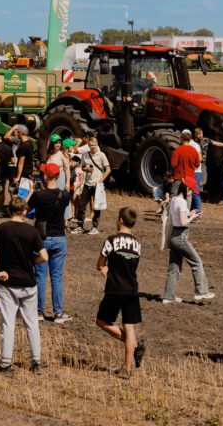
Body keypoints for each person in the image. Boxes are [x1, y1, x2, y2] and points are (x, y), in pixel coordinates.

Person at [0, 196, 49, 374]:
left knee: (8, 324)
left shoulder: (3, 228)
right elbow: (44, 256)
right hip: (29, 282)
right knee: (32, 323)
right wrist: (32, 262)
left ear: (9, 210)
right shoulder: (32, 231)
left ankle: (6, 364)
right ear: (25, 211)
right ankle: (36, 361)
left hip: (8, 282)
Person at [95, 207, 146, 379]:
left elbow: (99, 264)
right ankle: (127, 368)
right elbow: (130, 266)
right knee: (129, 327)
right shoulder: (137, 245)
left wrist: (105, 267)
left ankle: (135, 345)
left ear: (121, 220)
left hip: (115, 289)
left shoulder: (111, 240)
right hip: (132, 290)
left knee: (101, 321)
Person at [28, 163, 72, 323]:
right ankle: (58, 313)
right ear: (58, 176)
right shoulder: (65, 195)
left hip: (42, 239)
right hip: (59, 238)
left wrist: (31, 191)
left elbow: (24, 209)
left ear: (45, 176)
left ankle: (38, 311)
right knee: (56, 277)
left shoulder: (38, 196)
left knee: (40, 276)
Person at [162, 183, 214, 303]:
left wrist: (189, 213)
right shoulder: (182, 202)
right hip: (181, 237)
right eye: (191, 191)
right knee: (197, 262)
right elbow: (183, 222)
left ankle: (168, 296)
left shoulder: (174, 199)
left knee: (174, 267)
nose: (191, 193)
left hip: (174, 236)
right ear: (186, 189)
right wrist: (193, 217)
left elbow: (177, 217)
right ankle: (201, 292)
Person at [72, 138, 111, 235]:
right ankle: (80, 226)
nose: (93, 147)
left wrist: (100, 181)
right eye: (91, 145)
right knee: (81, 205)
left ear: (97, 144)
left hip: (97, 184)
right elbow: (82, 167)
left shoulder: (101, 155)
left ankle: (94, 227)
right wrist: (86, 169)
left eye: (94, 145)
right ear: (88, 146)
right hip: (87, 183)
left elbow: (108, 169)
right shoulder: (85, 154)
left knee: (96, 206)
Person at [170, 131, 199, 209]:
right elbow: (197, 164)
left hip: (178, 176)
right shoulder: (194, 150)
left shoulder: (178, 150)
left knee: (173, 195)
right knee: (188, 195)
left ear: (182, 139)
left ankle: (171, 212)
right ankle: (186, 212)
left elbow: (173, 164)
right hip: (190, 176)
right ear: (189, 140)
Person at [0, 134, 14, 216]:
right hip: (8, 171)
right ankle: (14, 209)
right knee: (11, 191)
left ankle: (0, 209)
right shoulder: (8, 148)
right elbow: (13, 161)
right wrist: (6, 162)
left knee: (1, 192)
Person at [10, 125, 34, 193]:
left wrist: (18, 177)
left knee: (22, 194)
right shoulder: (30, 143)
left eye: (17, 132)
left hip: (23, 173)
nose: (16, 134)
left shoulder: (24, 145)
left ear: (20, 133)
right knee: (24, 192)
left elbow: (21, 162)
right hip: (28, 171)